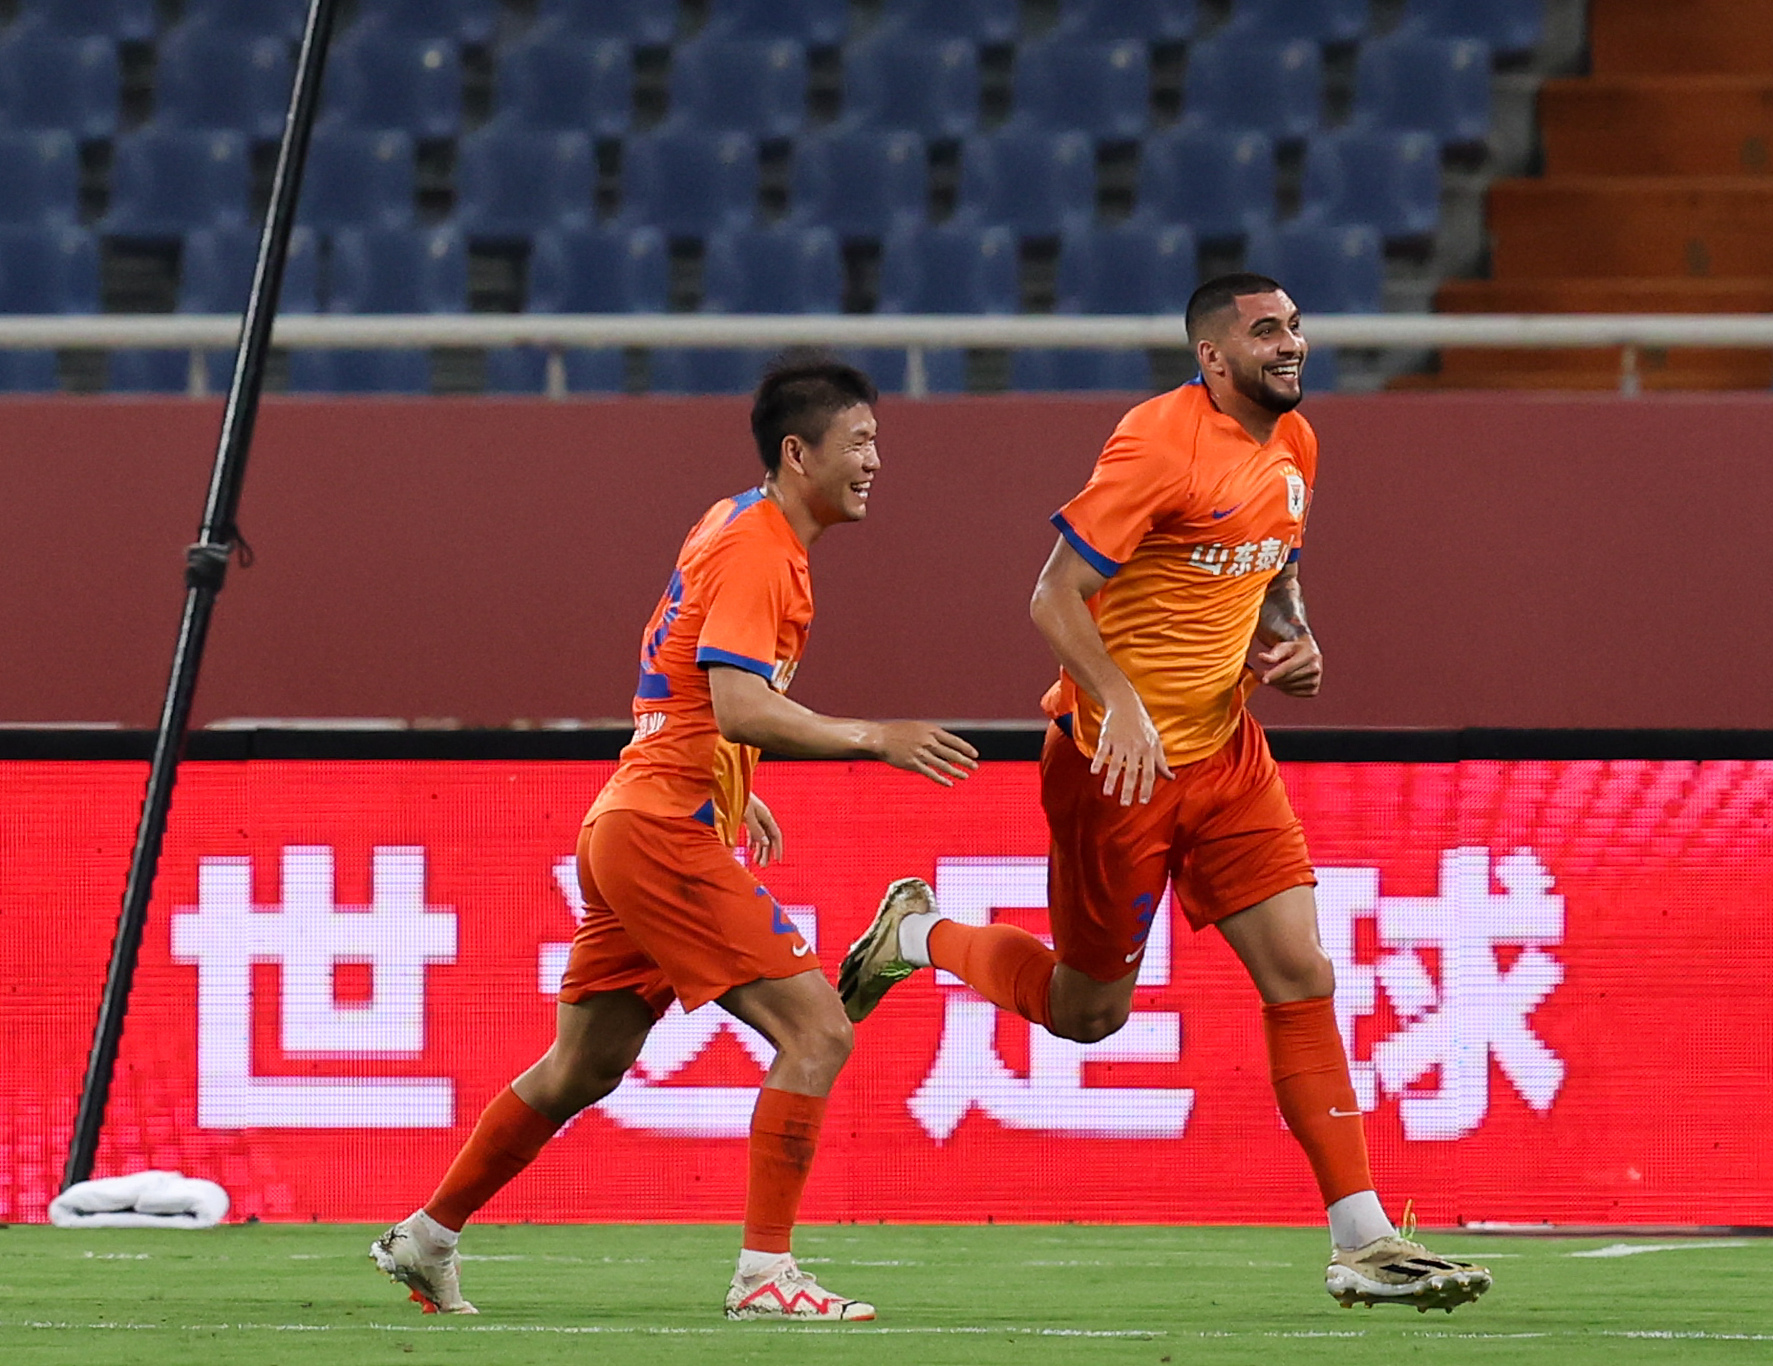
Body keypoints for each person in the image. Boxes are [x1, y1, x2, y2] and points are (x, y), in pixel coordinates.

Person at [840, 276, 1492, 1314]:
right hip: (1115, 765)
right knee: (1087, 1012)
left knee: (1301, 969)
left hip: (1226, 753)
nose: (1293, 344)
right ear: (1212, 358)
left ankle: (1359, 1235)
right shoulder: (1156, 444)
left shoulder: (1297, 445)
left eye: (1295, 327)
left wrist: (1291, 627)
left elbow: (1274, 559)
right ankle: (915, 934)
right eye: (1266, 331)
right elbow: (1049, 593)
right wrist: (1122, 705)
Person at [373, 354, 979, 1322]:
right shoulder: (759, 547)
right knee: (817, 1030)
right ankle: (764, 1275)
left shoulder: (730, 519)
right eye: (860, 441)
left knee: (583, 1066)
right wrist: (872, 736)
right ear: (798, 452)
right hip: (661, 828)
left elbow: (677, 678)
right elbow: (739, 702)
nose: (875, 461)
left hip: (637, 810)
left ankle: (427, 1235)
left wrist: (730, 781)